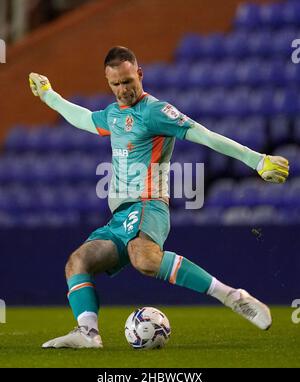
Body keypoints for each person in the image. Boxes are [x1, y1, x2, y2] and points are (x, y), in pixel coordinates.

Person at [29, 46, 289, 349]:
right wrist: (49, 96)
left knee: (145, 259)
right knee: (77, 262)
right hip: (120, 216)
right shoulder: (113, 114)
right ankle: (88, 333)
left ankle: (232, 296)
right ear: (108, 83)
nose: (123, 90)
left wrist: (256, 160)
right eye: (116, 84)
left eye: (128, 82)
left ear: (139, 74)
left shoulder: (155, 111)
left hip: (148, 204)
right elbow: (84, 118)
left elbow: (203, 134)